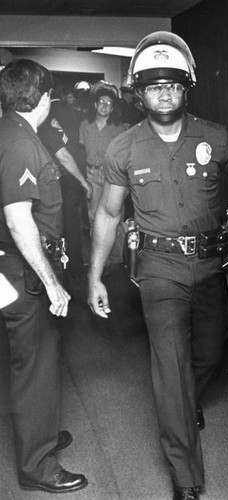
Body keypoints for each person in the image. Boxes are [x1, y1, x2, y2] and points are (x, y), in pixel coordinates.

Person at [87, 31, 228, 500]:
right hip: (158, 267)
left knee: (211, 353)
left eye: (173, 84)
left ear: (186, 86)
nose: (164, 92)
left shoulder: (216, 136)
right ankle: (185, 475)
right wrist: (94, 274)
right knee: (171, 365)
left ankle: (186, 400)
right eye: (155, 86)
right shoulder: (124, 147)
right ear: (140, 93)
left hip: (211, 262)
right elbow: (109, 214)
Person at [0, 59, 88, 493]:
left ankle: (43, 434)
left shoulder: (14, 132)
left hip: (22, 267)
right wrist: (51, 281)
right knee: (33, 363)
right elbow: (19, 221)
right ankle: (37, 465)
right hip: (24, 271)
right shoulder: (19, 142)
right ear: (40, 97)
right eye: (50, 93)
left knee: (44, 354)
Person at [38, 87, 93, 285]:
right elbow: (73, 149)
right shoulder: (74, 114)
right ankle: (75, 268)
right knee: (71, 222)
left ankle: (56, 268)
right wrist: (82, 179)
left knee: (51, 223)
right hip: (72, 175)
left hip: (53, 178)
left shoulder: (41, 116)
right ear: (60, 94)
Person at [79, 83, 127, 267]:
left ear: (113, 108)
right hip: (91, 176)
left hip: (112, 178)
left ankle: (116, 258)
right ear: (95, 104)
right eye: (101, 102)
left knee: (115, 216)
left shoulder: (119, 127)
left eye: (109, 103)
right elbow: (81, 151)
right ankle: (100, 259)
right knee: (93, 218)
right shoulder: (85, 125)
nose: (105, 106)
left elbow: (124, 157)